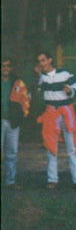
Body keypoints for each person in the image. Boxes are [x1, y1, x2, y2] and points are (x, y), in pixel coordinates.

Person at [35, 50, 76, 189]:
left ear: (50, 60)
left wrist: (70, 90)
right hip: (51, 112)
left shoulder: (64, 73)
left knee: (72, 146)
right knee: (51, 146)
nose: (41, 63)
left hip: (66, 111)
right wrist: (37, 75)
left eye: (43, 60)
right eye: (39, 61)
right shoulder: (41, 77)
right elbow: (37, 88)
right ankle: (52, 179)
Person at [2, 57, 30, 189]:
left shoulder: (18, 83)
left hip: (13, 123)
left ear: (11, 67)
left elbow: (26, 100)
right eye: (3, 66)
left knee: (12, 153)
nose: (5, 68)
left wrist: (21, 117)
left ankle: (10, 181)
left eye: (8, 65)